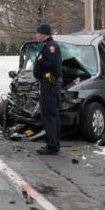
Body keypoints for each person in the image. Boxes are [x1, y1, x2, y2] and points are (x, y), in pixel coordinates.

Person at [32, 22, 62, 155]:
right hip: (47, 85)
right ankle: (53, 143)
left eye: (38, 33)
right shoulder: (46, 46)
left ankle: (52, 146)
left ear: (43, 34)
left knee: (49, 116)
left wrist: (40, 61)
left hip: (49, 85)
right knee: (50, 116)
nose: (36, 35)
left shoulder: (51, 47)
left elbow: (54, 66)